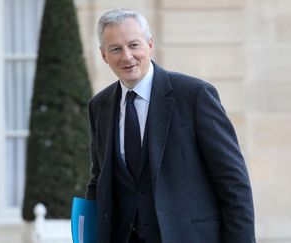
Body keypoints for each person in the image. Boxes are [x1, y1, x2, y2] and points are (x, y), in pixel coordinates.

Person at [85, 8, 256, 243]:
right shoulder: (99, 106)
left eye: (134, 45)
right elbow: (99, 179)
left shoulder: (194, 96)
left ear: (150, 45)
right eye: (116, 49)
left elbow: (233, 181)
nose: (127, 56)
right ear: (104, 55)